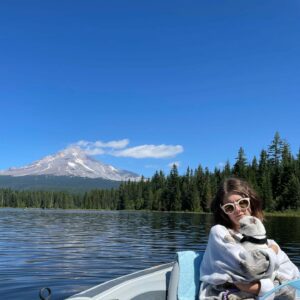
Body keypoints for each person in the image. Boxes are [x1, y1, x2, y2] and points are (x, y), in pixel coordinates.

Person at [199, 177, 300, 299]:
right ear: (223, 212)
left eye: (242, 203)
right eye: (229, 207)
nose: (238, 210)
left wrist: (253, 287)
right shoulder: (219, 233)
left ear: (251, 202)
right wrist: (273, 252)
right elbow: (247, 267)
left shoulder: (269, 242)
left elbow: (293, 274)